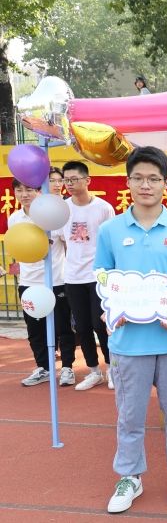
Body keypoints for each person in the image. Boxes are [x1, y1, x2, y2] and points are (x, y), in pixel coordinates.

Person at [95, 146, 167, 513]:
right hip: (127, 342)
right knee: (130, 416)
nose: (146, 185)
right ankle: (130, 475)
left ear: (166, 184)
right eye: (138, 178)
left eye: (154, 179)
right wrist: (113, 309)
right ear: (127, 182)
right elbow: (104, 278)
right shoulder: (109, 230)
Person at [9, 179, 76, 387]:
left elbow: (68, 245)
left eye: (29, 190)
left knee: (63, 327)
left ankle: (67, 368)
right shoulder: (15, 218)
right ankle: (44, 368)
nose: (24, 194)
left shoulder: (51, 216)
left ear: (39, 191)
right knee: (35, 329)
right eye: (19, 190)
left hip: (56, 280)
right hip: (29, 282)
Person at [60, 161, 116, 390]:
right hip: (72, 276)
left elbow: (111, 243)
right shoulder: (62, 209)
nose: (69, 184)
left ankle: (112, 368)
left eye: (74, 179)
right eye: (66, 180)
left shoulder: (103, 208)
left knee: (100, 324)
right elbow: (59, 239)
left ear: (87, 180)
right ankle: (94, 371)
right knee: (82, 327)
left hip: (97, 276)